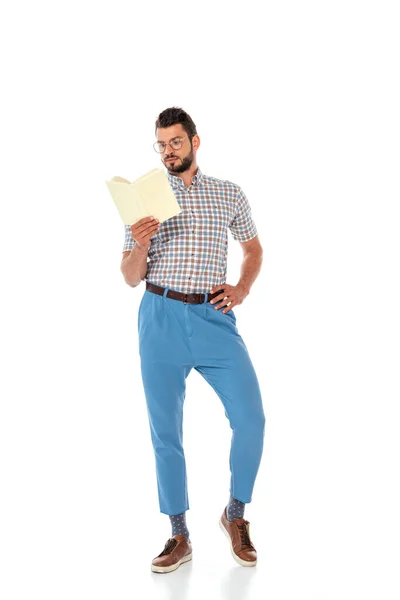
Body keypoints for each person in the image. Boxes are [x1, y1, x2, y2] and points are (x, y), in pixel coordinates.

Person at [120, 107, 266, 573]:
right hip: (159, 315)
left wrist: (241, 289)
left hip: (212, 316)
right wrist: (140, 242)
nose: (169, 151)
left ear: (195, 142)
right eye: (162, 145)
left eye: (176, 143)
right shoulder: (144, 201)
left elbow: (253, 249)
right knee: (166, 432)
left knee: (251, 418)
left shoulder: (228, 194)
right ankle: (178, 534)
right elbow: (128, 276)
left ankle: (235, 514)